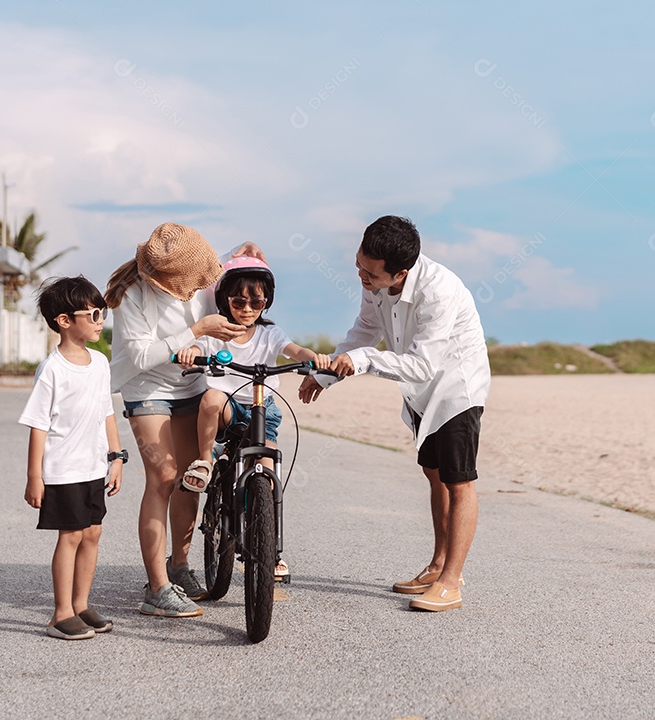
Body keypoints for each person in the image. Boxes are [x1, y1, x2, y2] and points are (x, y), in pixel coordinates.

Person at [298, 215, 491, 612]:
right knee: (434, 474)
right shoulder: (375, 284)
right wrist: (326, 374)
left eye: (369, 273)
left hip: (456, 388)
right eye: (358, 265)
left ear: (400, 272)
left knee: (459, 481)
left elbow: (422, 364)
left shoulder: (439, 291)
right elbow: (365, 332)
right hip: (419, 392)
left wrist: (363, 361)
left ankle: (452, 583)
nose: (361, 277)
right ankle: (438, 566)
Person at [105, 222, 261, 618]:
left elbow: (225, 271)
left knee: (191, 477)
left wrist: (245, 251)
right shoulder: (131, 295)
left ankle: (180, 564)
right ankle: (156, 588)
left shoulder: (199, 279)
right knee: (162, 476)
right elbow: (139, 357)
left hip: (190, 385)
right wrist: (195, 331)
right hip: (145, 387)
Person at [175, 257, 331, 577]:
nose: (247, 308)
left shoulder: (269, 332)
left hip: (262, 410)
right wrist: (190, 353)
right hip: (228, 409)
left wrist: (314, 359)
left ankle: (270, 551)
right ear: (225, 300)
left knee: (267, 475)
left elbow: (293, 350)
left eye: (256, 301)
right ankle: (205, 460)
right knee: (211, 397)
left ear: (266, 302)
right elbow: (191, 348)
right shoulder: (216, 331)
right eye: (238, 300)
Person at [20, 276, 125, 640]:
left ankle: (81, 604)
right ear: (65, 321)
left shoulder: (99, 362)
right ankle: (60, 613)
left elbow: (106, 411)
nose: (100, 320)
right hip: (63, 470)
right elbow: (37, 424)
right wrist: (35, 476)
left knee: (92, 533)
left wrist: (116, 456)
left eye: (103, 313)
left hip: (94, 465)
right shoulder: (52, 369)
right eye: (94, 314)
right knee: (71, 534)